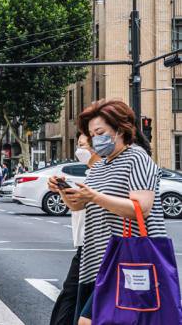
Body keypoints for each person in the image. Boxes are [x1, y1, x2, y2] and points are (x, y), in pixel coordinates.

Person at [49, 99, 166, 325]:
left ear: (121, 130)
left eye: (100, 132)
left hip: (128, 258)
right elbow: (80, 206)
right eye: (92, 135)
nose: (95, 140)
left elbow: (141, 208)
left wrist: (93, 196)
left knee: (89, 321)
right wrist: (63, 191)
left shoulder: (137, 158)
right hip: (96, 258)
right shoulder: (100, 166)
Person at [48, 132, 100, 325]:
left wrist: (90, 196)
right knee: (73, 294)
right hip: (86, 245)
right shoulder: (91, 173)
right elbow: (76, 205)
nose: (79, 150)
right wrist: (61, 189)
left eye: (82, 145)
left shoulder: (106, 172)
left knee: (75, 297)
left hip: (100, 246)